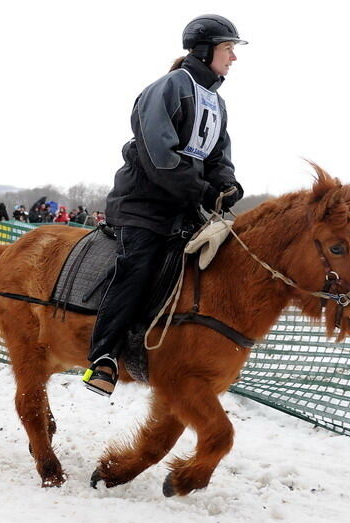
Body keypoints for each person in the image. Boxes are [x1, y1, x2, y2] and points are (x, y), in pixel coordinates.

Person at [83, 14, 246, 396]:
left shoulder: (216, 102)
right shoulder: (168, 87)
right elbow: (160, 157)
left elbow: (218, 155)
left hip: (184, 205)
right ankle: (103, 357)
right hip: (143, 204)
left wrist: (226, 184)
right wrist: (201, 190)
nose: (233, 58)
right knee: (138, 267)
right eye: (228, 49)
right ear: (204, 51)